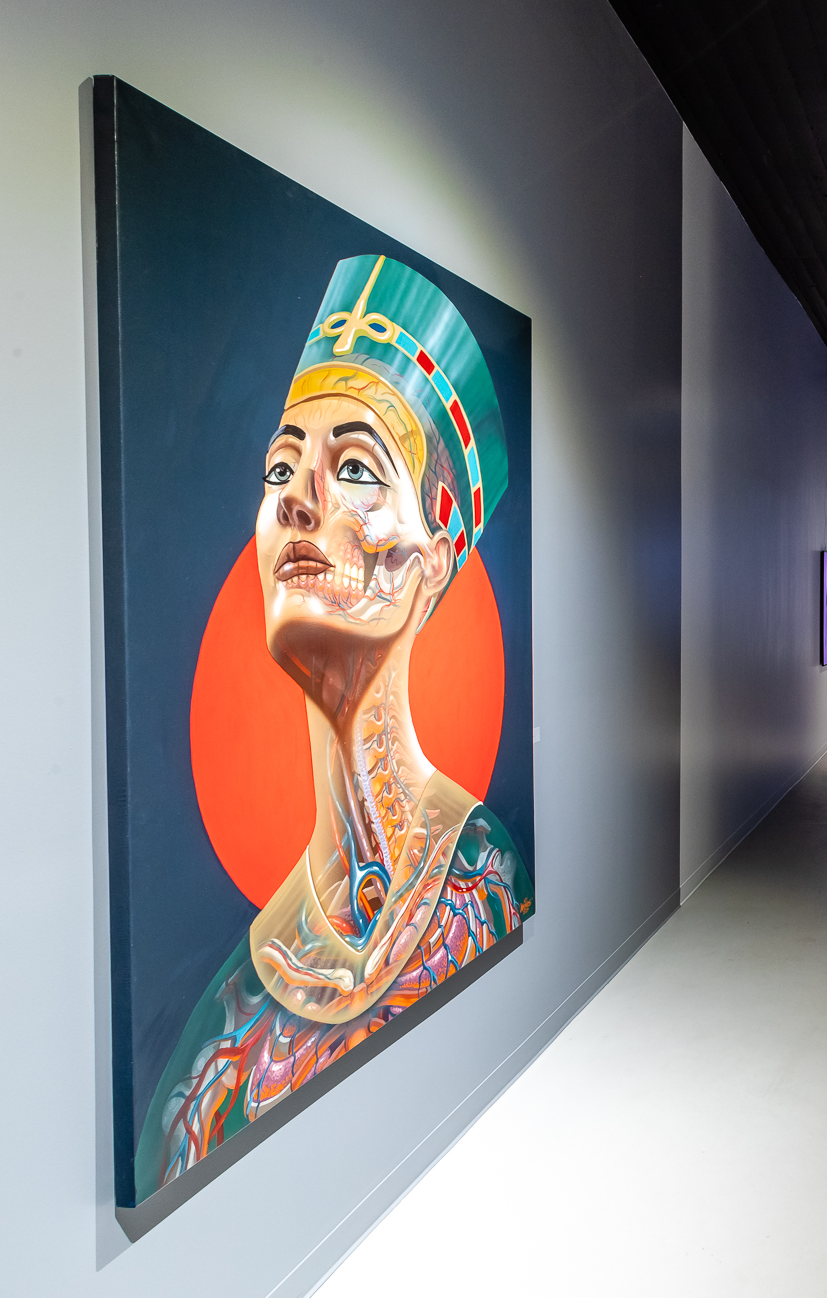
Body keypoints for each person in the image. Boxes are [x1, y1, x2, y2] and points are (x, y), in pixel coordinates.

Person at [137, 255, 533, 1200]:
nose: (296, 497)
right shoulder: (219, 1044)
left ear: (432, 556)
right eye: (281, 466)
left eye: (354, 467)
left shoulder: (485, 874)